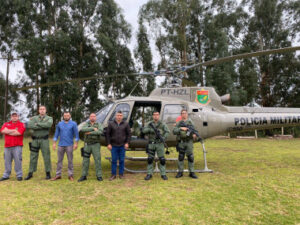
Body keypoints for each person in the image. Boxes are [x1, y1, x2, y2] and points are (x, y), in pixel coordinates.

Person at [25, 105, 53, 180]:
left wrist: (37, 124)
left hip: (44, 140)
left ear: (46, 110)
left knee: (46, 156)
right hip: (35, 140)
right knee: (33, 156)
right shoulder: (34, 118)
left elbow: (48, 125)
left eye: (43, 109)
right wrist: (42, 126)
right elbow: (30, 125)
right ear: (38, 110)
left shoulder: (49, 118)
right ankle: (30, 173)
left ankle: (48, 173)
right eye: (40, 109)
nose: (42, 110)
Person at [51, 112, 79, 181]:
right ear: (63, 116)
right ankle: (58, 175)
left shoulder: (73, 124)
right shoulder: (59, 124)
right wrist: (54, 143)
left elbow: (76, 134)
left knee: (70, 160)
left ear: (70, 116)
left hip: (70, 145)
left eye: (68, 115)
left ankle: (70, 175)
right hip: (60, 145)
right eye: (65, 115)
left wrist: (76, 143)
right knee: (59, 160)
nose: (66, 116)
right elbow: (56, 134)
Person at [142, 111, 170, 181]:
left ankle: (163, 174)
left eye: (157, 115)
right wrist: (151, 130)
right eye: (154, 115)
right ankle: (149, 174)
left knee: (162, 159)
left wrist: (163, 138)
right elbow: (144, 130)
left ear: (159, 116)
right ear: (152, 116)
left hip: (160, 144)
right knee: (150, 159)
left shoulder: (162, 124)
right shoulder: (149, 123)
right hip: (151, 143)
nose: (155, 116)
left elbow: (167, 131)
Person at [0, 112, 26, 181]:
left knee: (18, 160)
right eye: (13, 116)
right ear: (11, 117)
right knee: (7, 161)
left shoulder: (21, 124)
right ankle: (6, 175)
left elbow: (19, 133)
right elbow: (2, 131)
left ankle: (19, 175)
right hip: (7, 146)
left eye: (16, 116)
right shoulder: (6, 123)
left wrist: (8, 131)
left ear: (18, 117)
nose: (14, 117)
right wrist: (14, 130)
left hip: (17, 146)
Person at [173, 109, 198, 179]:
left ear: (187, 114)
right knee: (181, 157)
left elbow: (194, 130)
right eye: (182, 113)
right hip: (181, 142)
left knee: (190, 157)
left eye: (185, 113)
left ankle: (191, 172)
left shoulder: (190, 122)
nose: (184, 114)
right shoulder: (179, 123)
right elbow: (174, 131)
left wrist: (194, 135)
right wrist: (181, 128)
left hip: (189, 142)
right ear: (181, 115)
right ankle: (180, 172)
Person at [78, 113, 103, 182]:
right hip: (87, 145)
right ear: (89, 117)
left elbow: (100, 132)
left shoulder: (99, 124)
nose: (92, 117)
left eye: (94, 116)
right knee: (85, 160)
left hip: (96, 144)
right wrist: (93, 129)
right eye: (91, 116)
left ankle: (99, 176)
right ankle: (84, 175)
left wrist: (90, 132)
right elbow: (83, 129)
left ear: (96, 117)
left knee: (97, 160)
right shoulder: (86, 124)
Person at [106, 111, 131, 180]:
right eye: (118, 115)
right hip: (113, 146)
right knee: (114, 160)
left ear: (122, 116)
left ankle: (121, 174)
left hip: (122, 146)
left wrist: (127, 143)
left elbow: (129, 134)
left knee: (122, 160)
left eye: (120, 115)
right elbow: (107, 134)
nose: (119, 117)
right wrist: (108, 143)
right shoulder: (111, 124)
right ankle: (113, 175)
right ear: (115, 116)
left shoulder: (126, 124)